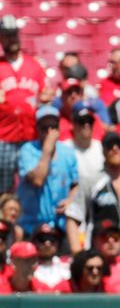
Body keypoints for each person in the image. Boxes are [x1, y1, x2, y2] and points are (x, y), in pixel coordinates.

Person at [65, 132, 120, 268]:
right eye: (109, 145)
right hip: (98, 262)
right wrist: (78, 254)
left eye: (119, 145)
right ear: (103, 151)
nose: (115, 149)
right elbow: (72, 216)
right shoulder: (91, 182)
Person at [17, 106, 79, 243]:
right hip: (32, 226)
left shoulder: (68, 153)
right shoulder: (27, 150)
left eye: (53, 126)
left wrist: (70, 200)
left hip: (60, 226)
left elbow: (75, 184)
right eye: (44, 127)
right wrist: (47, 151)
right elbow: (38, 180)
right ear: (37, 129)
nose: (49, 132)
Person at [0, 15, 47, 194]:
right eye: (7, 35)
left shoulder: (34, 65)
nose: (12, 38)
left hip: (31, 136)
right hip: (3, 137)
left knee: (31, 186)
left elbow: (45, 95)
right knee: (3, 190)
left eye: (14, 34)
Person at [63, 102, 104, 192]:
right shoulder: (64, 149)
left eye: (90, 121)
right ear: (73, 124)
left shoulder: (101, 147)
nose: (86, 125)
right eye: (82, 121)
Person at [29, 224, 71, 293]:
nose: (47, 243)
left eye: (52, 239)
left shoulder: (67, 265)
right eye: (42, 239)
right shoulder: (28, 267)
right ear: (34, 242)